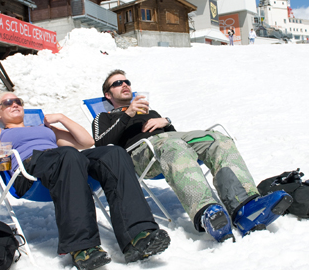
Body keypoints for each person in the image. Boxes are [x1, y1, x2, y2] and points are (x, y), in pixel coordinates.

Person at [91, 70, 292, 243]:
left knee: (217, 139)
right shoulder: (105, 117)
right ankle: (206, 212)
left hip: (170, 143)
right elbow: (101, 142)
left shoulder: (150, 110)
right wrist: (128, 114)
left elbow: (176, 136)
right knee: (172, 144)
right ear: (108, 94)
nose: (124, 85)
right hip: (142, 155)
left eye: (127, 81)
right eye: (117, 83)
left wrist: (165, 122)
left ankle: (245, 206)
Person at [0, 91, 169, 270]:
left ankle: (137, 235)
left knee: (113, 153)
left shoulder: (44, 129)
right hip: (30, 171)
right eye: (7, 103)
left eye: (18, 101)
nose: (15, 104)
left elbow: (86, 142)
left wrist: (62, 118)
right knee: (68, 154)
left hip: (65, 163)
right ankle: (82, 248)